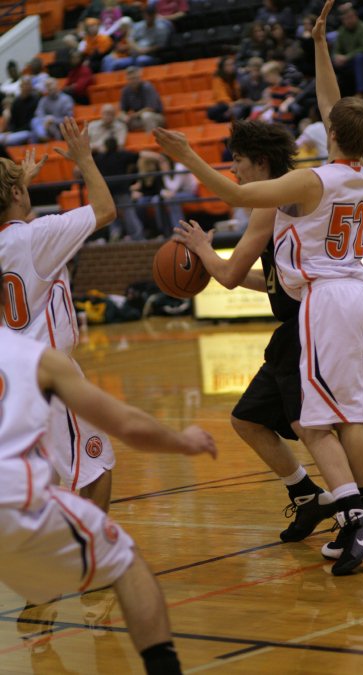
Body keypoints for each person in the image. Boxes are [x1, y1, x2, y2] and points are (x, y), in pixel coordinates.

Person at [154, 0, 363, 573]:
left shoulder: (311, 180)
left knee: (319, 422)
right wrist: (319, 46)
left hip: (327, 301)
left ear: (332, 133)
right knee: (362, 408)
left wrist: (189, 156)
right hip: (362, 294)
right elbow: (334, 105)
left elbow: (238, 197)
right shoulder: (360, 175)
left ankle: (358, 516)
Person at [0, 264, 217, 675]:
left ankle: (41, 603)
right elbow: (130, 425)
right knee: (126, 562)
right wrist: (183, 441)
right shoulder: (38, 358)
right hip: (15, 499)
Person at [172, 119, 336, 543]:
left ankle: (356, 507)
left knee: (316, 427)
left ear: (260, 163)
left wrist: (204, 252)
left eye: (238, 161)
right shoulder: (285, 192)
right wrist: (214, 264)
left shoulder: (273, 199)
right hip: (297, 328)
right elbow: (255, 278)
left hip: (309, 327)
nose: (233, 170)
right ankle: (307, 496)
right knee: (247, 419)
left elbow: (228, 276)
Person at [0, 118, 118, 512]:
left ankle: (37, 564)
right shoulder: (37, 236)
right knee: (97, 465)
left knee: (36, 484)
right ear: (16, 192)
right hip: (49, 374)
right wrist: (84, 158)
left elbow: (18, 238)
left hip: (10, 380)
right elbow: (104, 210)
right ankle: (93, 559)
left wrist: (18, 189)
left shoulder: (21, 239)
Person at [332, 3, 363, 96]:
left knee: (360, 58)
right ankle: (332, 93)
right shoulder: (342, 31)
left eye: (350, 17)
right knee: (330, 61)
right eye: (345, 19)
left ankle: (361, 92)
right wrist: (337, 57)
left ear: (356, 16)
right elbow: (336, 49)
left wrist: (347, 57)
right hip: (349, 60)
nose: (348, 20)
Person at [119, 65, 165, 132]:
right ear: (127, 79)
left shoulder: (147, 87)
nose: (133, 81)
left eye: (135, 78)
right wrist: (124, 116)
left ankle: (151, 140)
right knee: (120, 120)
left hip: (155, 117)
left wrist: (135, 115)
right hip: (138, 119)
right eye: (130, 79)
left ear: (140, 77)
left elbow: (150, 108)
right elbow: (123, 110)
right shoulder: (126, 90)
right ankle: (131, 142)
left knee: (146, 116)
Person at [30, 78, 74, 143]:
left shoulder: (66, 99)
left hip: (60, 128)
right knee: (34, 121)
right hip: (45, 126)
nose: (49, 87)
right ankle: (42, 137)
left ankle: (42, 138)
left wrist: (52, 120)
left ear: (57, 85)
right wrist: (46, 120)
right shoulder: (44, 100)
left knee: (38, 128)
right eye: (46, 86)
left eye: (50, 84)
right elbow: (38, 113)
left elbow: (68, 119)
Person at [0, 76, 40, 146]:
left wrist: (13, 132)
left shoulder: (36, 100)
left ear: (31, 86)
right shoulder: (17, 102)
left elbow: (32, 123)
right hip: (16, 132)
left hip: (28, 131)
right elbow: (13, 121)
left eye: (28, 84)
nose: (26, 87)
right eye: (24, 85)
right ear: (20, 86)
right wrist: (10, 131)